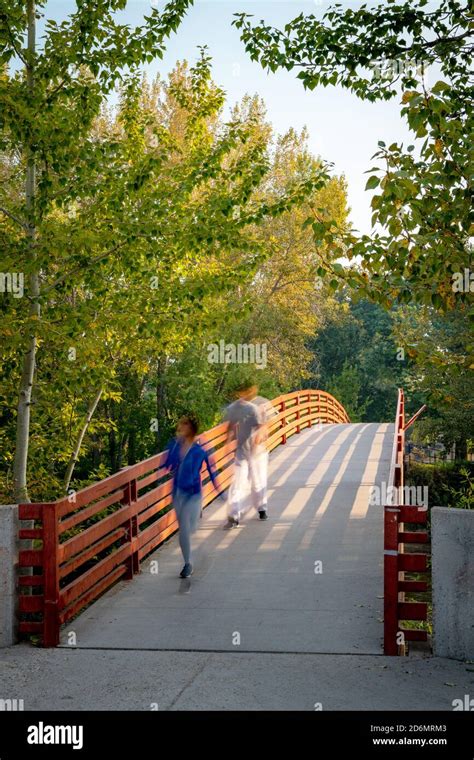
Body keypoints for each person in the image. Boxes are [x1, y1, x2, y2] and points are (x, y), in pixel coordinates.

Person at [164, 414, 222, 578]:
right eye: (180, 424)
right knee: (184, 528)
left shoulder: (199, 450)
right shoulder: (175, 446)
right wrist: (173, 448)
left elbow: (212, 471)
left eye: (184, 425)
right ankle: (187, 563)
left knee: (190, 527)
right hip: (178, 493)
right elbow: (167, 465)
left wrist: (220, 492)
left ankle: (195, 553)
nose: (180, 427)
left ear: (192, 428)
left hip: (194, 494)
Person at [224, 380, 272, 526]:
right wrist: (228, 440)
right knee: (237, 483)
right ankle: (234, 516)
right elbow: (231, 425)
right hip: (241, 451)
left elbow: (263, 426)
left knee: (257, 482)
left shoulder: (253, 408)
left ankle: (261, 508)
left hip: (257, 452)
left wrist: (259, 436)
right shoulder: (233, 408)